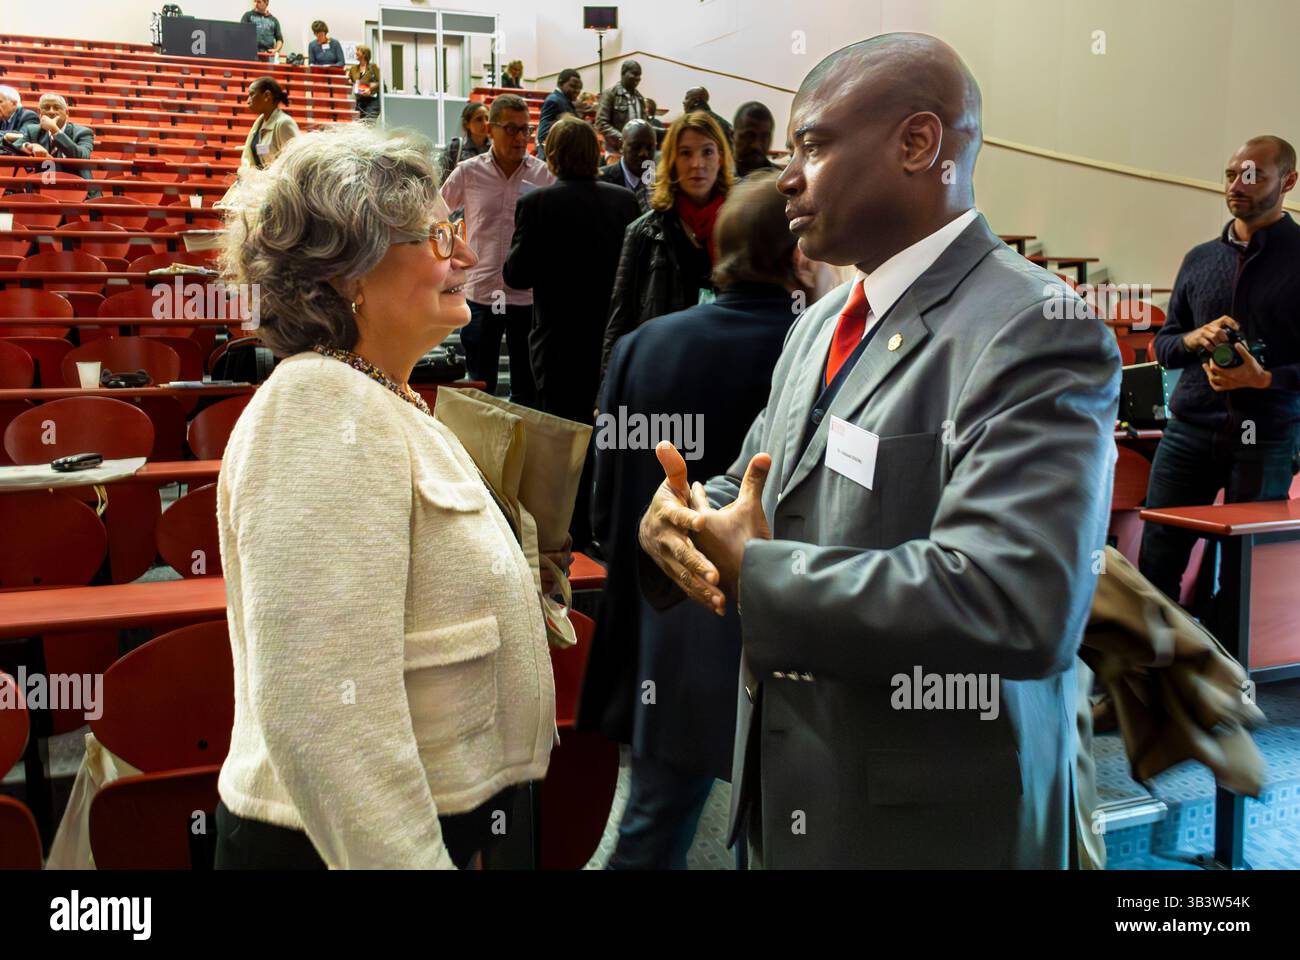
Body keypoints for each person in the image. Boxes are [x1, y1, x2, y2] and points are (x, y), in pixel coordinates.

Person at [636, 33, 1120, 869]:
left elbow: (1016, 598)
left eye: (815, 146)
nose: (786, 176)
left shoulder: (1033, 326)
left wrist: (762, 573)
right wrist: (683, 519)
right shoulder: (822, 320)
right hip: (795, 789)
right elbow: (758, 481)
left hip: (929, 822)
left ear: (917, 145)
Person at [213, 123, 557, 870]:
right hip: (355, 840)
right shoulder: (317, 408)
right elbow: (322, 716)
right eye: (438, 238)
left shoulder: (377, 396)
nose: (465, 255)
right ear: (349, 277)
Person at [581, 172, 818, 868]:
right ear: (797, 253)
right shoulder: (810, 350)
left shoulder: (643, 344)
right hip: (777, 622)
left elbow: (605, 497)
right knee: (784, 829)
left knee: (651, 831)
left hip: (669, 627)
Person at [1140, 135, 1300, 602]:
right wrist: (1194, 339)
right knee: (1157, 562)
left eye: (1253, 175)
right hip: (1188, 432)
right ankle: (1152, 668)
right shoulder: (1199, 258)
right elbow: (1165, 344)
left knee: (1244, 574)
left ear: (1288, 181)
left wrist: (1265, 379)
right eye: (1232, 174)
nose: (1237, 184)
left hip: (1266, 436)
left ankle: (1230, 674)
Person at [503, 116, 639, 548]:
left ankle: (568, 534)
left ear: (553, 155)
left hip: (558, 343)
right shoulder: (624, 202)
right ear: (595, 153)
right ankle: (604, 527)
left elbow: (516, 275)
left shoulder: (537, 204)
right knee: (609, 433)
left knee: (563, 442)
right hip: (609, 343)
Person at [440, 94, 554, 406]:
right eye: (511, 129)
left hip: (526, 297)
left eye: (525, 130)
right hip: (481, 294)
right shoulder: (468, 172)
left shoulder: (543, 176)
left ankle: (523, 453)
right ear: (491, 129)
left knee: (526, 389)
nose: (520, 138)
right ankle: (478, 455)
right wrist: (451, 254)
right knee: (480, 386)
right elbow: (432, 213)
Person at [602, 111, 733, 376]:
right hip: (661, 371)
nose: (697, 164)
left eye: (707, 152)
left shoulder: (740, 228)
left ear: (720, 158)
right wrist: (607, 392)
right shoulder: (644, 232)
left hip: (723, 371)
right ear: (672, 161)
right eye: (686, 154)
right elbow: (620, 319)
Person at [7, 94, 94, 182]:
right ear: (39, 112)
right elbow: (13, 148)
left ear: (67, 113)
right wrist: (30, 146)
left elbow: (82, 157)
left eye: (57, 108)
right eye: (46, 107)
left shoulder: (83, 132)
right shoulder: (33, 130)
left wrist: (54, 130)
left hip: (78, 188)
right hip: (43, 187)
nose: (51, 112)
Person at [239, 77, 299, 172]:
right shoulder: (260, 122)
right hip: (257, 182)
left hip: (274, 184)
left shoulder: (284, 123)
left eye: (252, 94)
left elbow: (294, 163)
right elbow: (257, 153)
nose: (248, 101)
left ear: (267, 96)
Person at [597, 118, 655, 214]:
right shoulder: (601, 181)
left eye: (650, 147)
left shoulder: (662, 181)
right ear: (620, 146)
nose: (644, 153)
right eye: (636, 147)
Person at [438, 101, 490, 186]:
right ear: (467, 124)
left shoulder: (495, 149)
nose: (485, 123)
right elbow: (442, 181)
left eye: (487, 118)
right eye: (479, 119)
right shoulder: (455, 148)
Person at [535, 68, 581, 163]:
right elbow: (543, 135)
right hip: (554, 158)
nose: (577, 91)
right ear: (560, 83)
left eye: (579, 88)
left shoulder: (565, 100)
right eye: (572, 86)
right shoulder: (553, 101)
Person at [596, 60, 646, 145]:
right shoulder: (610, 94)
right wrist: (623, 139)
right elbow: (601, 123)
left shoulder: (639, 97)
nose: (638, 78)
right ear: (623, 73)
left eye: (639, 75)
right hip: (615, 151)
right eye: (634, 73)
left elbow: (644, 123)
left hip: (635, 148)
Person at [733, 101, 779, 177]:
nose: (756, 145)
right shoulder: (713, 178)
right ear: (732, 135)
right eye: (749, 136)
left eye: (764, 137)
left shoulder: (780, 182)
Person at [347, 46, 381, 121]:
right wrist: (348, 81)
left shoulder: (373, 67)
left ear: (364, 54)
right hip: (360, 100)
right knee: (360, 123)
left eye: (358, 50)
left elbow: (380, 82)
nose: (356, 52)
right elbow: (351, 81)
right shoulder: (353, 68)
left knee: (370, 121)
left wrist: (370, 89)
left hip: (372, 100)